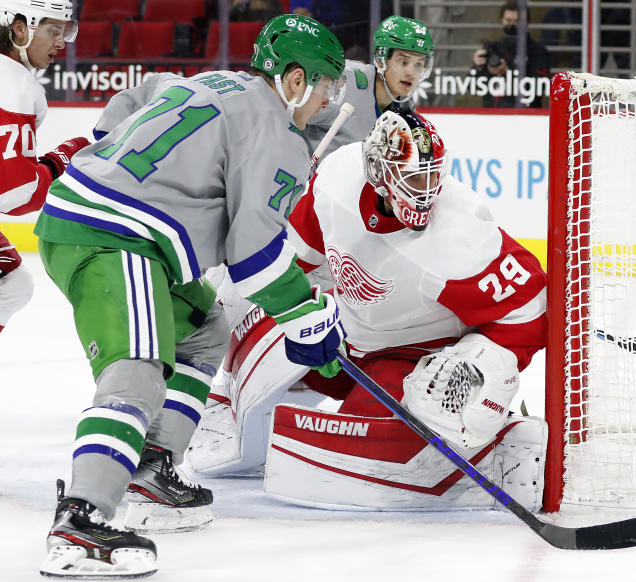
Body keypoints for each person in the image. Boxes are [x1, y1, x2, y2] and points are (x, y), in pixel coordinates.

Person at [36, 14, 347, 579]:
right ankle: (80, 521)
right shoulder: (278, 130)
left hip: (104, 218)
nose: (326, 103)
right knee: (137, 371)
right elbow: (253, 253)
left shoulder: (213, 82)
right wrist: (307, 315)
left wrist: (124, 166)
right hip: (115, 237)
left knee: (205, 332)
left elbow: (134, 99)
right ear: (295, 80)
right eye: (325, 86)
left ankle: (150, 468)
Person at [187, 109, 548, 512]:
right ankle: (226, 397)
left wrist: (478, 365)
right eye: (413, 178)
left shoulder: (460, 236)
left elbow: (527, 310)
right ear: (378, 173)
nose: (426, 190)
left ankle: (493, 447)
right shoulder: (337, 180)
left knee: (360, 443)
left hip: (409, 359)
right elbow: (290, 261)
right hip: (344, 339)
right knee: (251, 307)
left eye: (432, 176)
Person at [0, 0, 87, 336]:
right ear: (19, 28)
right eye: (53, 30)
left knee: (12, 282)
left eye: (64, 30)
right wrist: (62, 160)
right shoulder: (13, 82)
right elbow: (16, 193)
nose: (61, 41)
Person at [302, 15, 434, 162]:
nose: (411, 73)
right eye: (403, 62)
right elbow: (289, 112)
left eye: (418, 64)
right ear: (380, 59)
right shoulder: (343, 82)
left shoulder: (405, 111)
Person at [471, 0, 551, 108]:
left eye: (517, 21)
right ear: (501, 21)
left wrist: (508, 73)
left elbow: (539, 88)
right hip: (492, 116)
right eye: (508, 21)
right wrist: (479, 68)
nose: (512, 26)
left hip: (526, 117)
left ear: (527, 23)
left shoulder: (538, 51)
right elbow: (472, 87)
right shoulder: (491, 48)